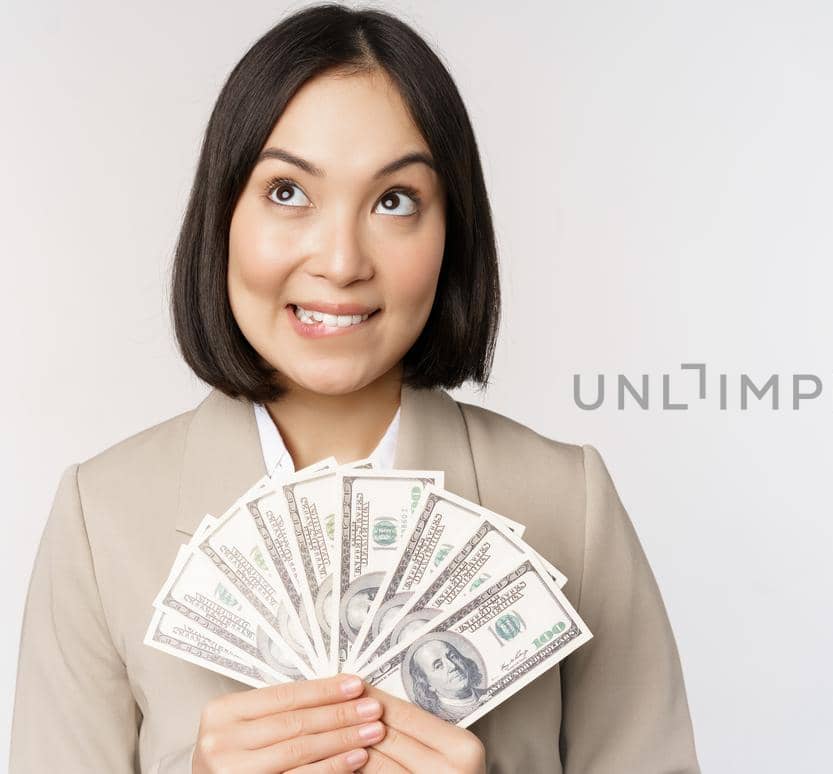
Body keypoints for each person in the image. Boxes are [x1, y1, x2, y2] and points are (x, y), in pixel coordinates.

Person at [8, 4, 701, 772]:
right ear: (223, 215)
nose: (340, 261)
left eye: (394, 200)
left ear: (452, 232)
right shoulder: (100, 520)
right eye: (286, 192)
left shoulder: (570, 504)